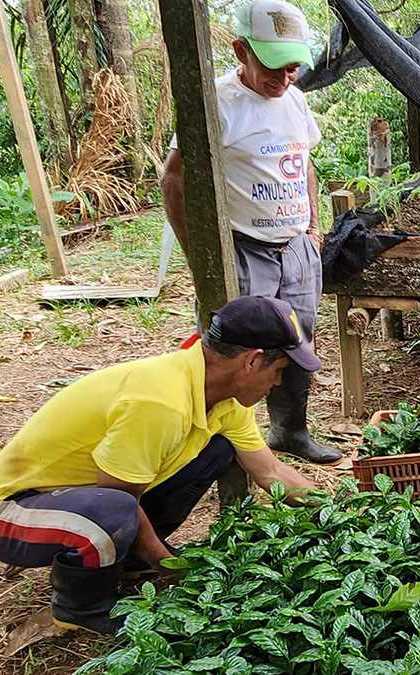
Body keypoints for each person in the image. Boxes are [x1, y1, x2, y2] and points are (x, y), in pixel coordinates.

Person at [0, 296, 320, 634]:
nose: (278, 382)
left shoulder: (225, 400)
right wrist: (168, 565)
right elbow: (118, 497)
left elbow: (270, 472)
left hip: (86, 500)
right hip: (10, 514)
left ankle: (126, 561)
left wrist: (333, 510)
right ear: (252, 362)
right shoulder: (159, 401)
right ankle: (80, 606)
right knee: (116, 508)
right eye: (279, 371)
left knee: (217, 449)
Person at [160, 0, 340, 464]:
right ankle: (214, 446)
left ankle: (289, 431)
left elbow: (305, 164)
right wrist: (199, 256)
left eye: (293, 68)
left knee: (296, 341)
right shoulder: (217, 103)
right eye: (273, 67)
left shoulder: (295, 100)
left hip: (295, 248)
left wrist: (313, 227)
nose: (285, 79)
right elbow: (174, 178)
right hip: (244, 246)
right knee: (232, 348)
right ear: (241, 51)